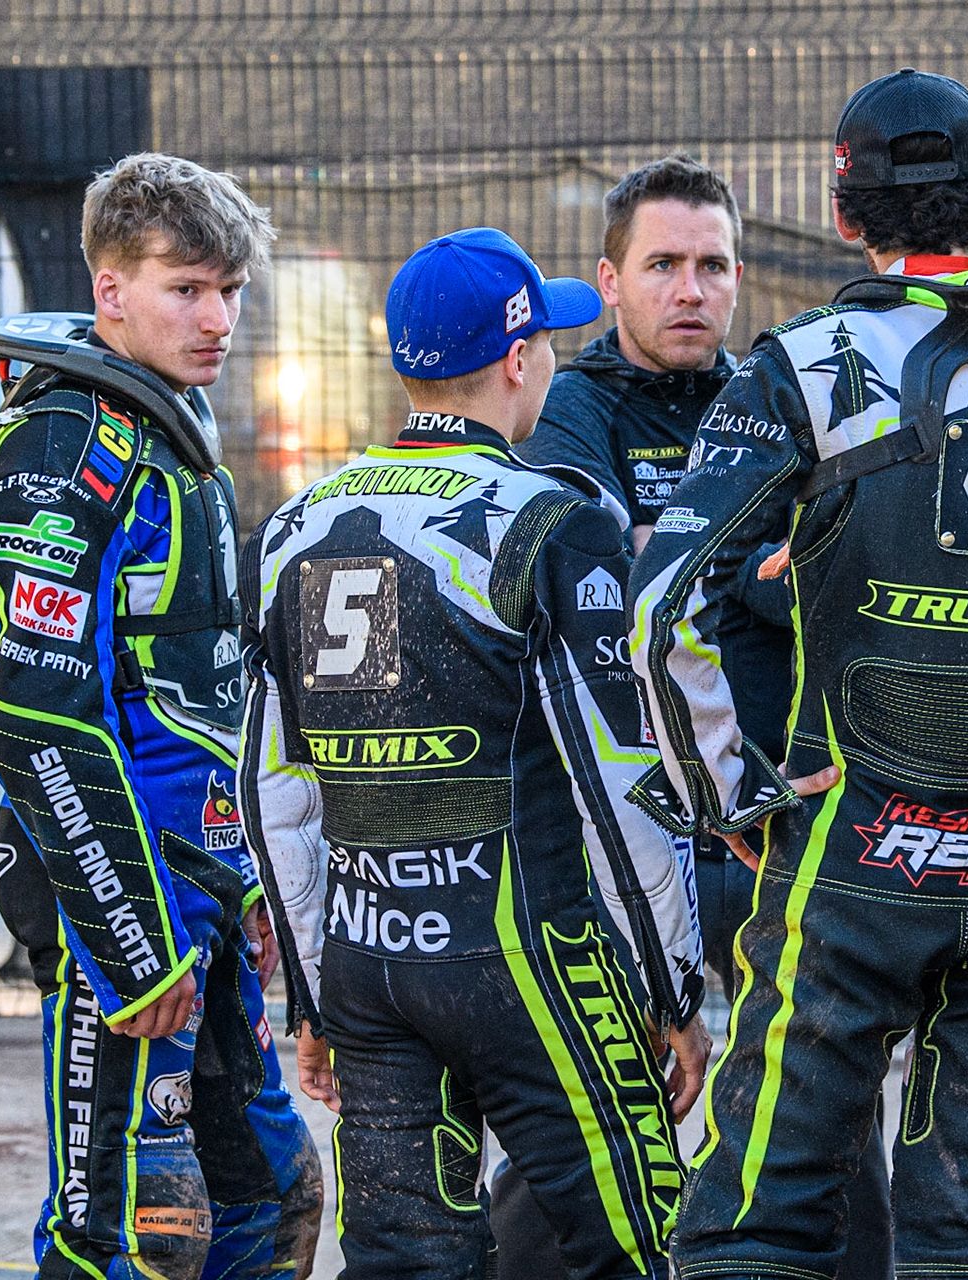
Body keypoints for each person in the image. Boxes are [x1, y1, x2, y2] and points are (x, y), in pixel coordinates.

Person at [630, 68, 968, 1279]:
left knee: (754, 1222)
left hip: (847, 851)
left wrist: (732, 797)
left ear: (843, 217)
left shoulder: (804, 363)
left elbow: (658, 605)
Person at [238, 226, 710, 1280]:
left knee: (408, 1263)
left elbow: (273, 792)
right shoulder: (549, 519)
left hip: (370, 964)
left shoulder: (293, 527)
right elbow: (620, 787)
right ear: (517, 358)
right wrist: (671, 985)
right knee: (639, 1246)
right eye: (543, 338)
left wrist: (315, 995)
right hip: (527, 959)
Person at [511, 155, 894, 1280]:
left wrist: (701, 567)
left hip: (772, 814)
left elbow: (817, 573)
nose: (691, 288)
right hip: (631, 832)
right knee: (604, 1115)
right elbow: (608, 586)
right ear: (611, 280)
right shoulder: (572, 405)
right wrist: (744, 570)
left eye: (713, 264)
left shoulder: (774, 394)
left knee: (824, 1101)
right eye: (663, 264)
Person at [0, 153, 321, 1279]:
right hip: (113, 904)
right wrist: (130, 934)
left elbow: (205, 693)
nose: (219, 317)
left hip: (199, 886)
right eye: (187, 289)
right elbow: (36, 713)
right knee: (130, 1227)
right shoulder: (62, 451)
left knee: (270, 1194)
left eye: (232, 290)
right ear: (111, 289)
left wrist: (247, 876)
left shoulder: (174, 434)